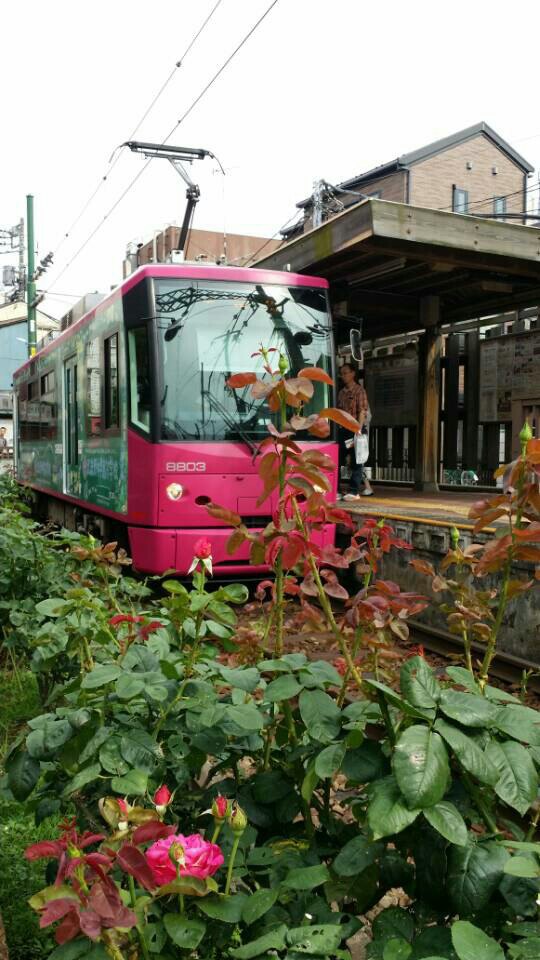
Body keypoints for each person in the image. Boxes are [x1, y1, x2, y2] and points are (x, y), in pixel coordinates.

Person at [337, 362, 373, 498]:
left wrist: (358, 429)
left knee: (357, 460)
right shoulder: (341, 393)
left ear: (353, 374)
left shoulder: (359, 391)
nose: (343, 376)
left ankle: (353, 491)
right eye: (342, 373)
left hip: (356, 429)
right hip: (343, 430)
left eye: (346, 372)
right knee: (338, 459)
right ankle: (337, 489)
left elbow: (362, 411)